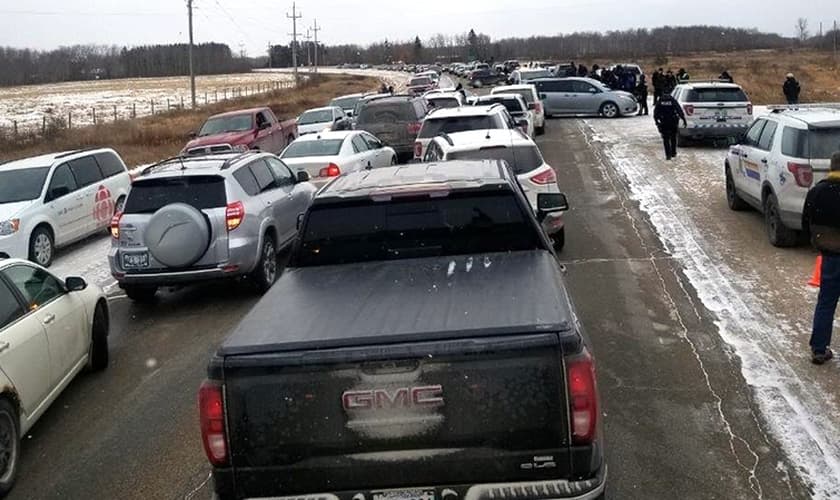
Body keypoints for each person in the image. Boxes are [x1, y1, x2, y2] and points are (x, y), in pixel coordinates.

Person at [803, 152, 840, 364]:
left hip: (830, 255)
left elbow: (806, 220)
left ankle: (819, 349)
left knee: (826, 303)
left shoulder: (818, 192)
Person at [654, 90, 687, 161]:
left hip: (664, 122)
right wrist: (683, 119)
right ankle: (673, 152)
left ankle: (668, 155)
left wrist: (657, 121)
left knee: (666, 139)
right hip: (673, 121)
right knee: (673, 137)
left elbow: (656, 112)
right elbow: (679, 110)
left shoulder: (660, 101)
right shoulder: (672, 100)